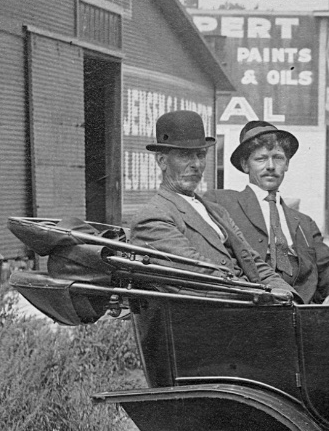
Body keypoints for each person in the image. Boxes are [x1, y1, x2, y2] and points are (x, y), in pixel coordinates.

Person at [128, 110, 298, 300]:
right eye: (185, 156)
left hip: (249, 302)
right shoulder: (153, 216)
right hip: (215, 309)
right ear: (162, 161)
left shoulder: (217, 212)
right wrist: (265, 296)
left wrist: (289, 296)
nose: (196, 164)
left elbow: (255, 263)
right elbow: (200, 274)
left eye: (200, 155)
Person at [206, 121, 329, 304]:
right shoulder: (222, 203)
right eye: (261, 159)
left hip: (302, 306)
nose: (270, 166)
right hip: (252, 304)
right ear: (245, 165)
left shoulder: (304, 222)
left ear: (287, 164)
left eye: (278, 158)